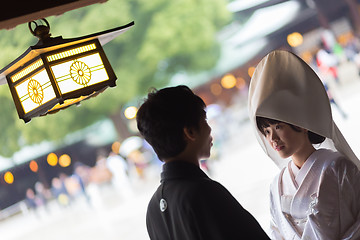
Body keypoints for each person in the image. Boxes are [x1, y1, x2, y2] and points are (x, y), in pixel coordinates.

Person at [248, 50, 360, 240]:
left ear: (300, 122)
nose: (272, 138)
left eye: (278, 126)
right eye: (266, 131)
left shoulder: (337, 167)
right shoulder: (276, 185)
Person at [137, 85, 269, 240]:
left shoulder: (153, 208)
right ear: (190, 132)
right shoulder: (203, 192)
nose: (210, 129)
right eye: (204, 120)